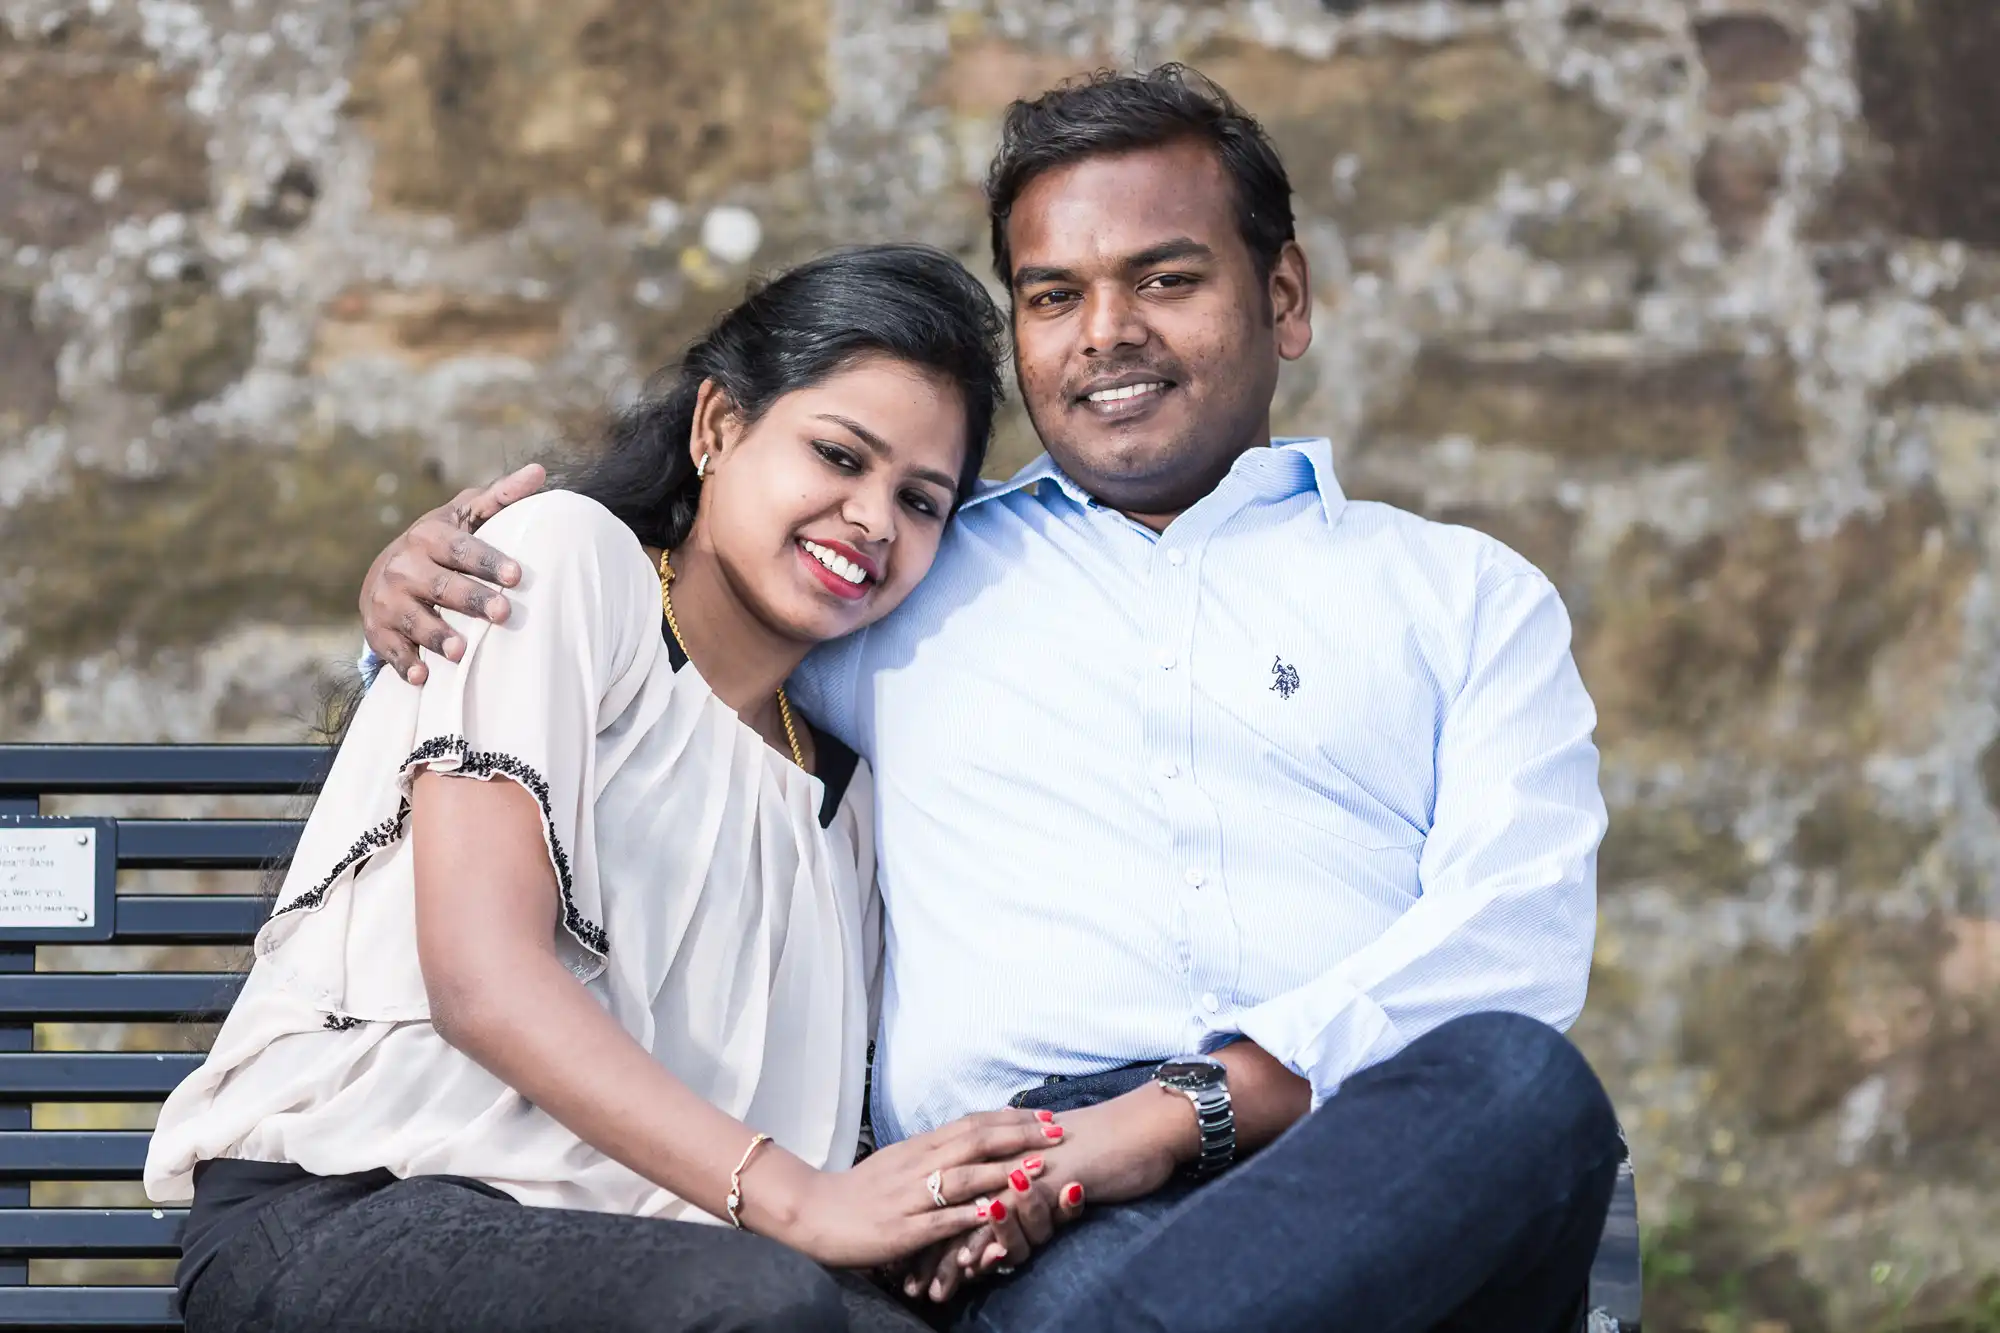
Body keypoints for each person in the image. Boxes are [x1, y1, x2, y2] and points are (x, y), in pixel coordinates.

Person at [356, 68, 1623, 1333]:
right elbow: (662, 646)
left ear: (1281, 298)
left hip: (1374, 1163)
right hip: (1036, 1214)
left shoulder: (1462, 598)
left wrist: (1165, 1121)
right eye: (1053, 295)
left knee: (1521, 1081)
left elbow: (1509, 944)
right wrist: (439, 596)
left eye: (1165, 280)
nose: (1105, 331)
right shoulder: (907, 574)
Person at [143, 245, 1088, 1333]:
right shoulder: (563, 564)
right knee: (758, 1300)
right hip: (355, 1209)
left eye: (920, 500)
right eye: (837, 454)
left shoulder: (844, 804)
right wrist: (803, 1202)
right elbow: (481, 978)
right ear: (718, 429)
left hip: (653, 1266)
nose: (872, 519)